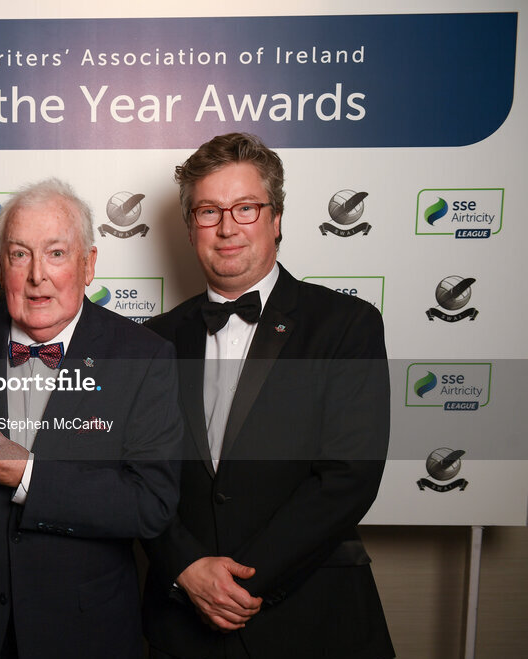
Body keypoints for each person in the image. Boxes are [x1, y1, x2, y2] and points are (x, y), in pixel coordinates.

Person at [142, 133, 394, 659]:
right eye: (209, 212)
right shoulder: (152, 340)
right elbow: (138, 474)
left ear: (276, 218)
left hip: (311, 617)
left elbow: (349, 477)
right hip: (182, 623)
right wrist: (186, 567)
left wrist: (241, 584)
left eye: (246, 208)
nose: (227, 227)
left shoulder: (346, 325)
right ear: (190, 228)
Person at [0, 179, 182, 659]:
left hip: (84, 634)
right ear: (2, 265)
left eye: (56, 253)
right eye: (20, 254)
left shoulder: (143, 356)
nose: (37, 275)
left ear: (88, 264)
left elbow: (150, 505)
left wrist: (27, 475)